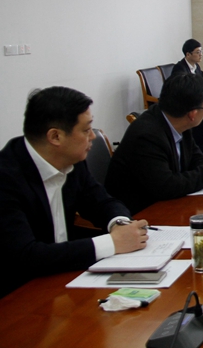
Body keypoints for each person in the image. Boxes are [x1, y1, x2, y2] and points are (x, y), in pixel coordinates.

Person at [0, 87, 148, 298]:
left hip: (65, 280)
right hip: (20, 294)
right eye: (86, 130)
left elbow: (101, 202)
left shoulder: (71, 160)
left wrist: (120, 224)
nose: (93, 136)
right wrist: (112, 243)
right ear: (55, 136)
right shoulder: (6, 178)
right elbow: (26, 256)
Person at [105, 73, 203, 215]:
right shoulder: (146, 136)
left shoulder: (179, 122)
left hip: (169, 204)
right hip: (140, 213)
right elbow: (166, 186)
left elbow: (195, 159)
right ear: (192, 114)